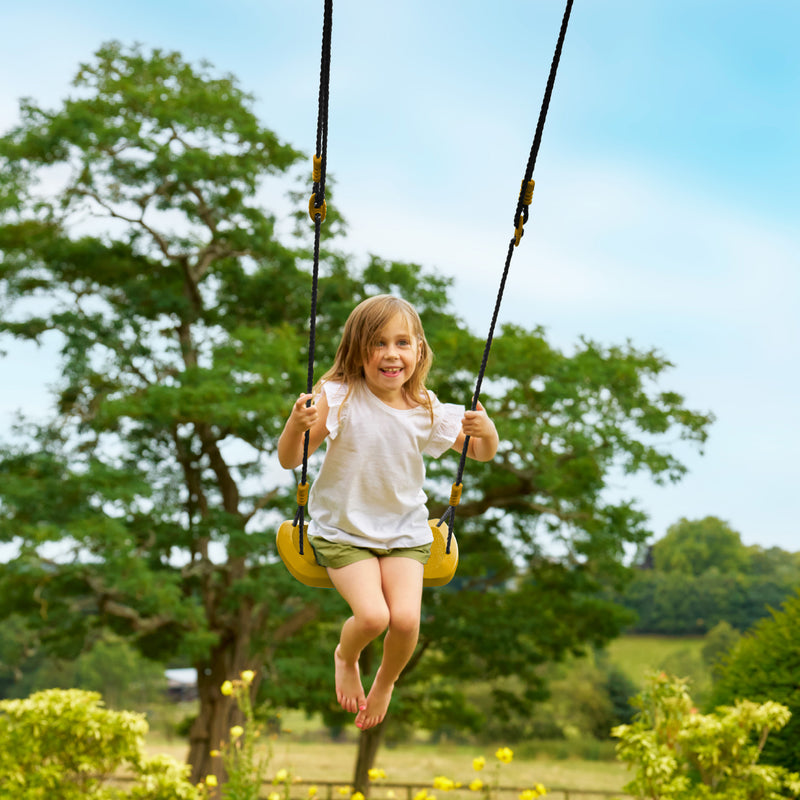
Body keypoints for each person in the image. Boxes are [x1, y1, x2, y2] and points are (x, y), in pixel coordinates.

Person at [278, 295, 499, 730]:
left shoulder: (427, 409)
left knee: (406, 621)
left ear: (419, 351)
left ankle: (386, 680)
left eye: (402, 342)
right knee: (374, 617)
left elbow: (480, 452)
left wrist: (486, 431)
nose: (391, 354)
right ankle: (346, 655)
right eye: (379, 343)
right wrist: (294, 425)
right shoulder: (338, 397)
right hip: (343, 532)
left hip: (406, 534)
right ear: (358, 351)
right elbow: (291, 458)